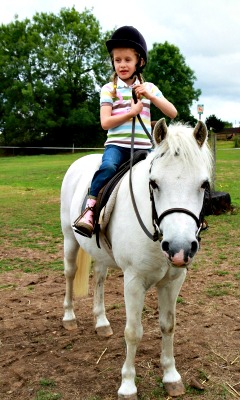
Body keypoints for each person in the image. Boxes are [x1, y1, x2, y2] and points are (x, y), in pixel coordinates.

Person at [72, 26, 177, 238]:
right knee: (108, 167)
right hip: (117, 146)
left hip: (144, 147)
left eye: (127, 59)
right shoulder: (108, 89)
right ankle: (90, 211)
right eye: (117, 60)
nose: (122, 64)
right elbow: (105, 123)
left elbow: (172, 112)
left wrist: (151, 97)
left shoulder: (149, 88)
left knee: (166, 175)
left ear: (140, 61)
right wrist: (132, 112)